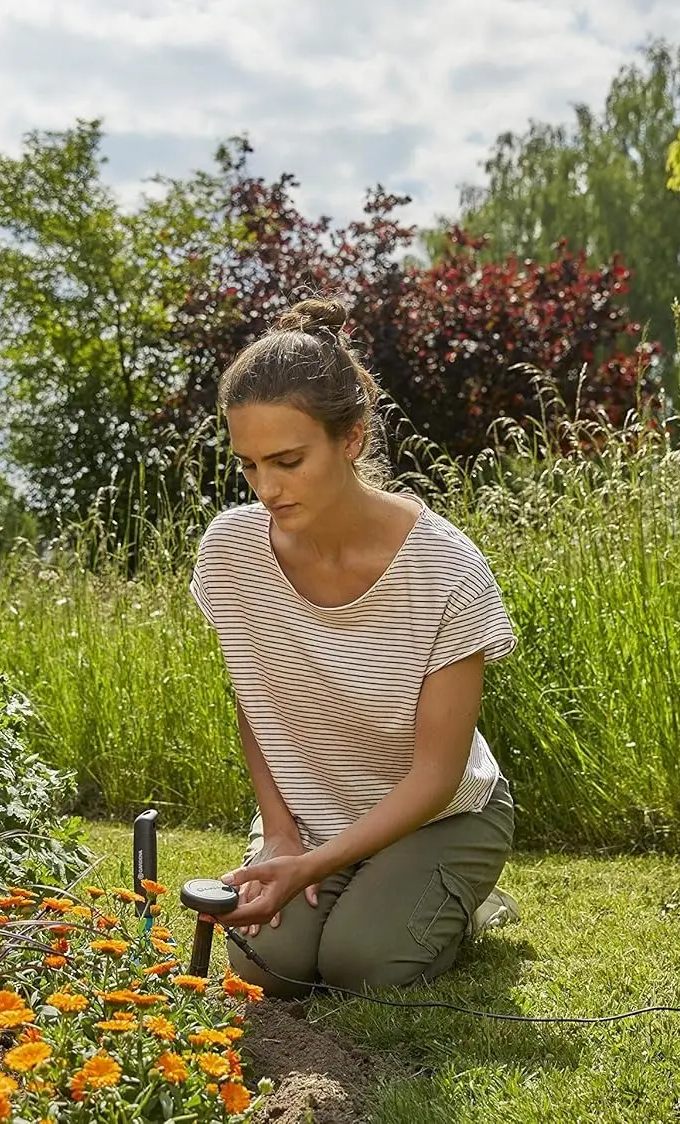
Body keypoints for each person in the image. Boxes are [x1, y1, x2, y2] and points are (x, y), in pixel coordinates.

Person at [188, 296, 520, 999]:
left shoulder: (447, 572)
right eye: (248, 465)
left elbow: (437, 775)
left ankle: (462, 900)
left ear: (353, 439)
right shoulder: (230, 552)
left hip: (442, 814)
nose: (266, 488)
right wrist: (281, 836)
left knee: (361, 966)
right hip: (315, 813)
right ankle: (369, 890)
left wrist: (310, 871)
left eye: (288, 461)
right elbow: (255, 700)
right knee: (267, 964)